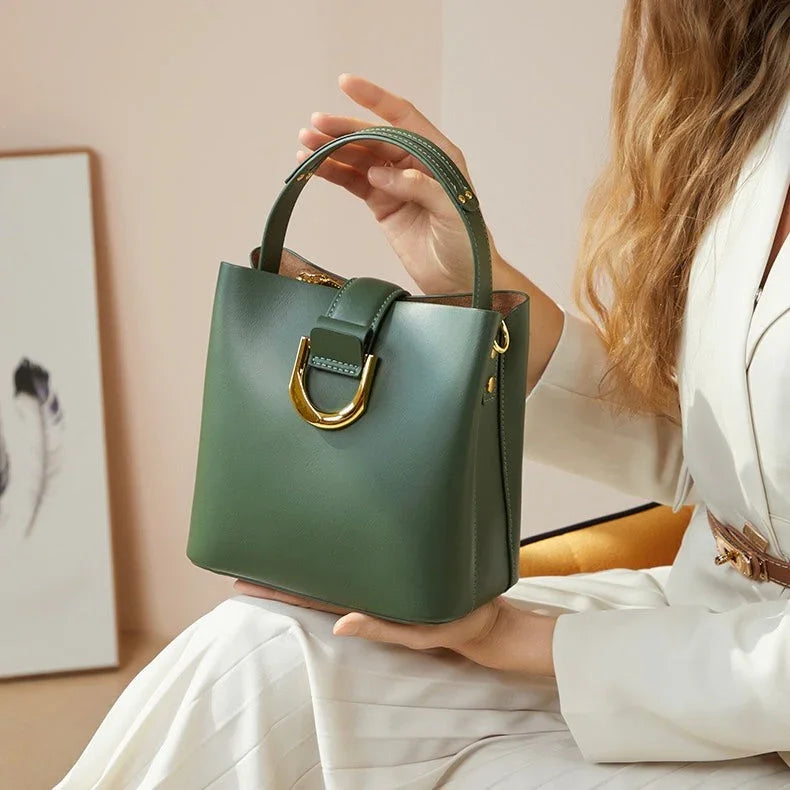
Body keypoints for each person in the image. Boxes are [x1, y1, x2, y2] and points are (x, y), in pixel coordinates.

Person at [56, 3, 790, 788]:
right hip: (688, 616)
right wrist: (470, 287)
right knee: (258, 651)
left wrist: (526, 641)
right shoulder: (757, 111)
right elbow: (716, 456)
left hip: (749, 687)